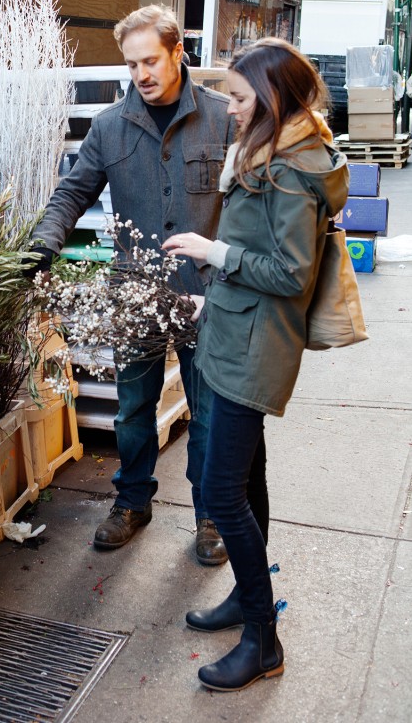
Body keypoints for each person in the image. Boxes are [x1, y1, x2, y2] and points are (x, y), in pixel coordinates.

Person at [163, 38, 349, 692]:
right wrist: (210, 290)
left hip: (255, 347)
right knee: (247, 478)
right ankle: (249, 598)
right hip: (235, 332)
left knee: (219, 493)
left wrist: (215, 257)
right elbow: (257, 253)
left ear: (271, 100)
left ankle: (262, 641)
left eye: (241, 98)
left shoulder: (292, 169)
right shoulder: (272, 153)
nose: (232, 108)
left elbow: (289, 271)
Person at [28, 4, 234, 562]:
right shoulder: (111, 127)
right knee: (132, 410)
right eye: (132, 64)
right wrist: (43, 243)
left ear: (177, 54)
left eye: (150, 61)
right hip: (135, 293)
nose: (141, 74)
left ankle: (212, 515)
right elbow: (72, 193)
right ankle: (132, 502)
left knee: (210, 412)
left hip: (205, 295)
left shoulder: (223, 119)